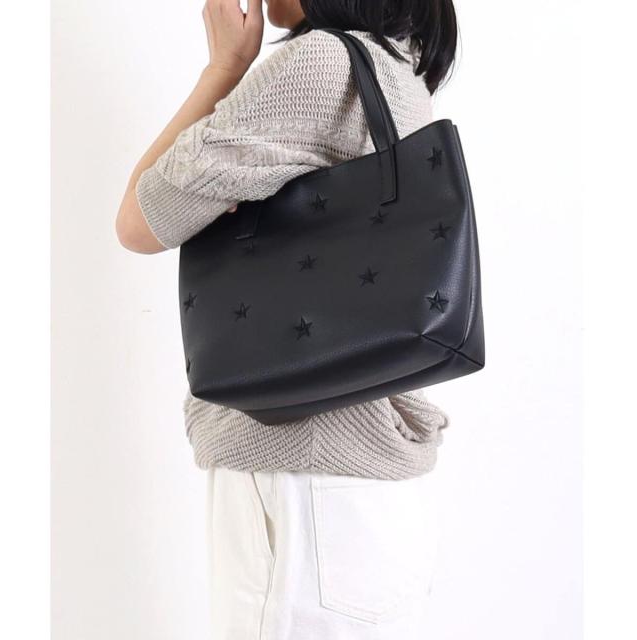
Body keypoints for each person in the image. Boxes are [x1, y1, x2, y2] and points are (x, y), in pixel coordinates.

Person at [116, 1, 458, 637]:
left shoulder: (321, 62)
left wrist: (224, 67)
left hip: (301, 481)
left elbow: (140, 221)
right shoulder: (393, 65)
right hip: (366, 495)